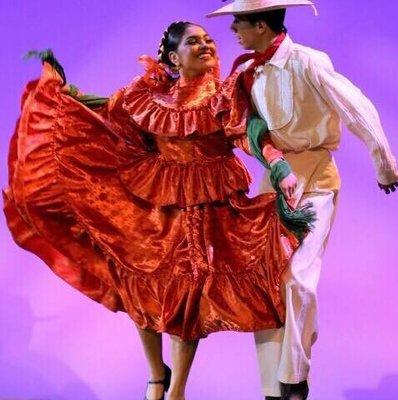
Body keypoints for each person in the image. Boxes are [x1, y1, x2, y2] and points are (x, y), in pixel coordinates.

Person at [3, 21, 314, 400]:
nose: (206, 46)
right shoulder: (150, 97)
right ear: (172, 57)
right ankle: (156, 375)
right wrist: (73, 98)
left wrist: (276, 163)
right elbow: (113, 113)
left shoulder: (224, 94)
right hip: (158, 205)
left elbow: (246, 132)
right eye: (193, 42)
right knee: (138, 283)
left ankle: (178, 390)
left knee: (188, 293)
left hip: (207, 209)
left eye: (208, 40)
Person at [207, 1, 398, 399]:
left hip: (315, 179)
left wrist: (385, 166)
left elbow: (357, 106)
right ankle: (273, 380)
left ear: (260, 25)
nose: (235, 33)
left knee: (297, 278)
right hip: (274, 182)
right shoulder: (247, 70)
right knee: (263, 281)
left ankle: (293, 380)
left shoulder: (308, 62)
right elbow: (244, 126)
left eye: (239, 24)